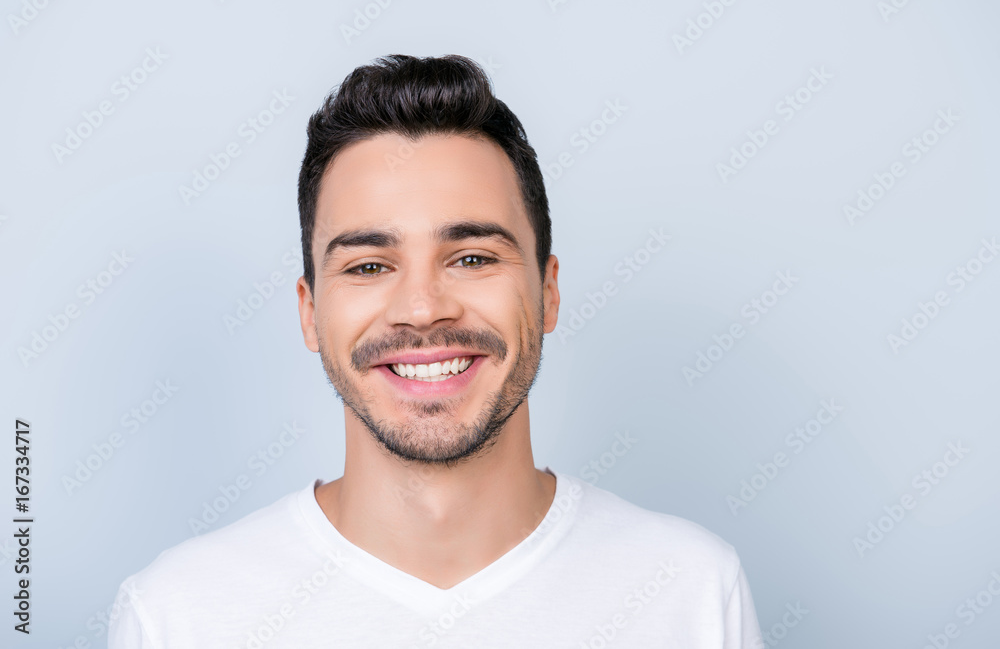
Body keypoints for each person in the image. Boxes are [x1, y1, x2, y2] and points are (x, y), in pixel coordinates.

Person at [108, 54, 764, 648]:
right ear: (310, 314)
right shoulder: (179, 615)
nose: (423, 308)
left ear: (548, 290)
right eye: (368, 266)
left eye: (472, 257)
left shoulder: (692, 592)